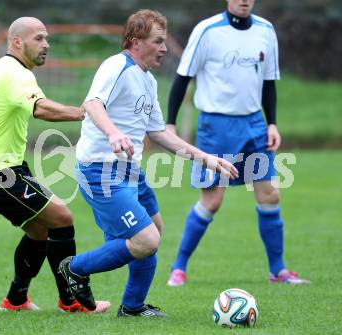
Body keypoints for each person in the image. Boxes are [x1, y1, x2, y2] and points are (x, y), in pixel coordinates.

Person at [57, 9, 238, 317]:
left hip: (130, 172)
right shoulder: (116, 66)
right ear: (135, 42)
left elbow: (158, 133)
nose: (165, 48)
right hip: (99, 171)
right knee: (145, 239)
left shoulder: (149, 81)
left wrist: (204, 157)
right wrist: (113, 133)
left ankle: (132, 307)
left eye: (165, 41)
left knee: (153, 231)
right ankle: (74, 268)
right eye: (158, 41)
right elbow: (92, 103)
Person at [0, 17, 111, 312]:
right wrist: (84, 113)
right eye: (38, 38)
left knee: (39, 230)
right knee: (62, 218)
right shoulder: (16, 73)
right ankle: (72, 300)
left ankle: (15, 300)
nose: (46, 44)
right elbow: (41, 108)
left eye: (46, 38)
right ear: (17, 41)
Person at [166, 0, 310, 286]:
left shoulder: (266, 30)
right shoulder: (207, 30)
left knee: (270, 195)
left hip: (255, 125)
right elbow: (183, 78)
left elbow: (269, 81)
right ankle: (178, 267)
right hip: (215, 127)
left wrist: (272, 123)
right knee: (212, 200)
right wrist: (170, 123)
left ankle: (278, 270)